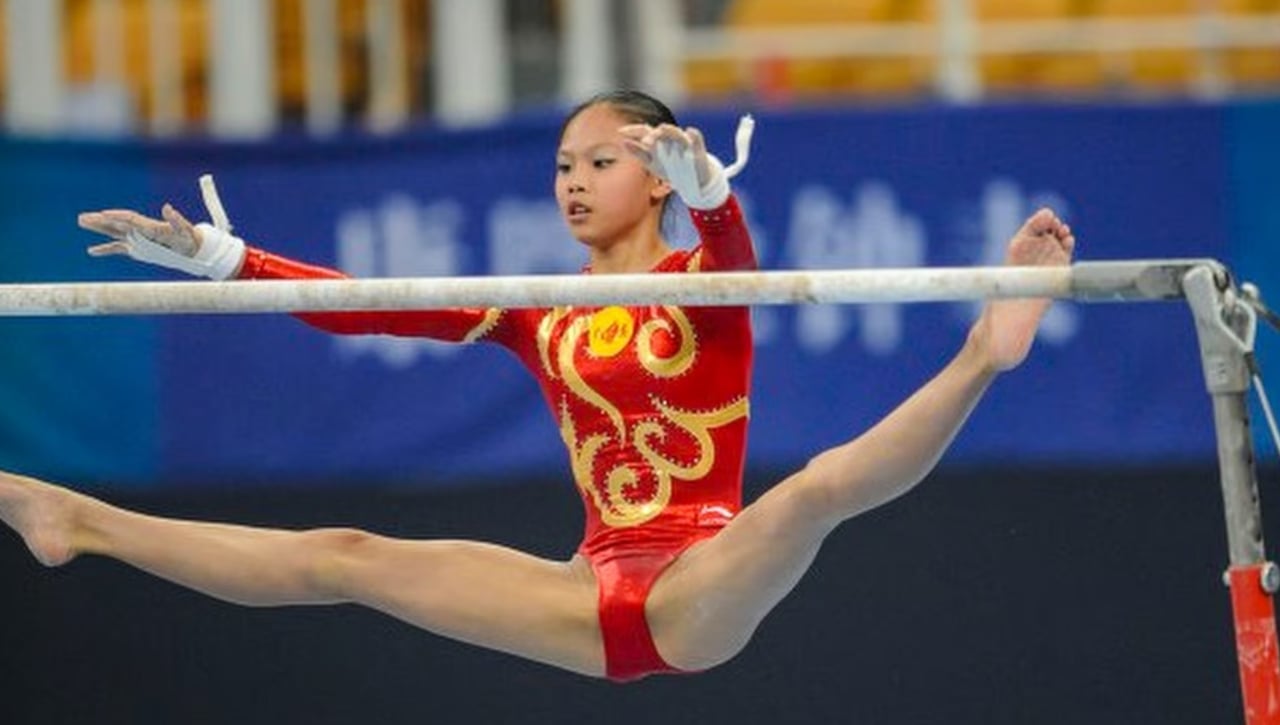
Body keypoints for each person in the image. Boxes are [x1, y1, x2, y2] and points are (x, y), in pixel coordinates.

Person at [0, 90, 1075, 682]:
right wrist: (222, 263)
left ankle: (986, 350)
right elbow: (370, 300)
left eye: (597, 161)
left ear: (654, 174)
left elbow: (729, 242)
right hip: (584, 590)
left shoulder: (707, 279)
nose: (568, 179)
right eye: (560, 163)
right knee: (347, 556)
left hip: (699, 582)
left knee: (808, 490)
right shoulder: (535, 304)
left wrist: (708, 189)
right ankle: (75, 518)